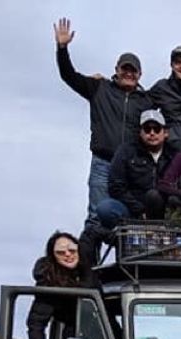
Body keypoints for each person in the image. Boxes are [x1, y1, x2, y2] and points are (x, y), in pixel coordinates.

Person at [52, 17, 150, 226]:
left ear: (140, 74)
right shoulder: (99, 88)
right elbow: (69, 75)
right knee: (96, 217)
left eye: (133, 70)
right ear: (116, 69)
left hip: (132, 167)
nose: (128, 73)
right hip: (103, 163)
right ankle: (91, 260)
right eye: (125, 69)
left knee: (134, 223)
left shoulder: (147, 100)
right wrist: (62, 48)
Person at [96, 110, 177, 229]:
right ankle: (130, 234)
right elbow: (116, 186)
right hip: (134, 211)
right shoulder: (125, 151)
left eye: (157, 129)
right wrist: (140, 210)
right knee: (105, 208)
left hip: (164, 212)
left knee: (155, 196)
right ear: (140, 133)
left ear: (165, 133)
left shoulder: (175, 155)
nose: (152, 133)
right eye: (147, 129)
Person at [27, 232, 95, 339]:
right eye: (61, 252)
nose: (68, 255)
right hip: (73, 338)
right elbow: (36, 321)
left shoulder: (88, 268)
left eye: (71, 250)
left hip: (103, 331)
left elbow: (93, 232)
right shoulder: (49, 283)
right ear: (53, 256)